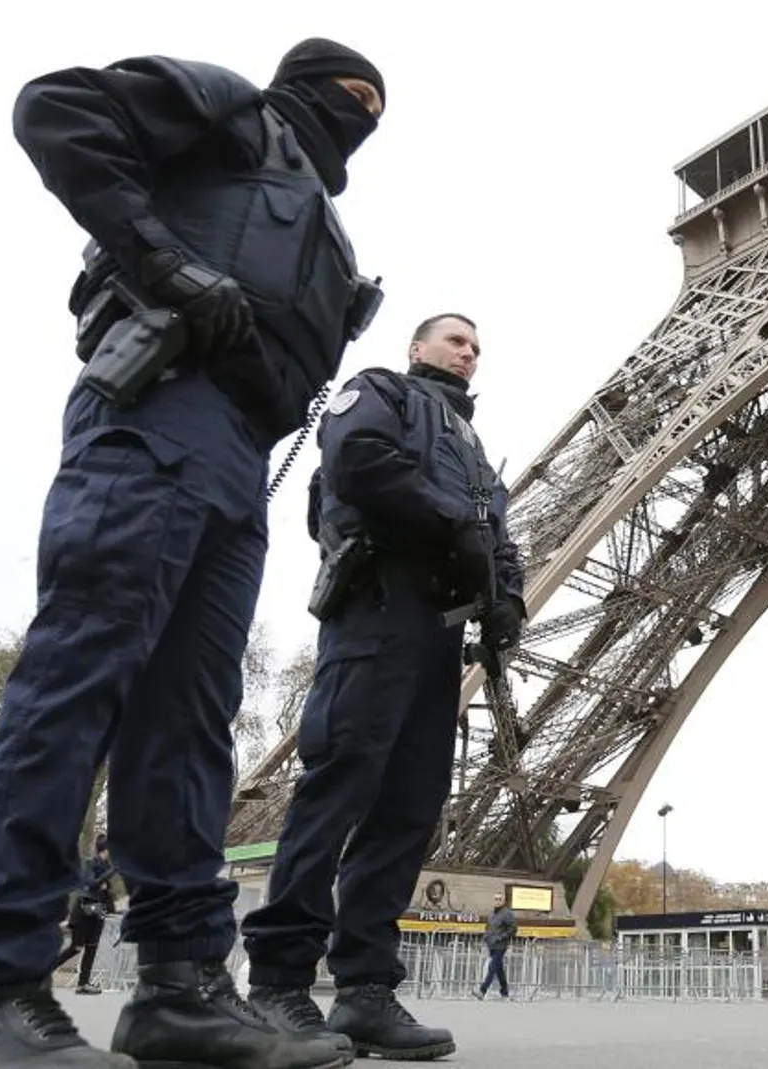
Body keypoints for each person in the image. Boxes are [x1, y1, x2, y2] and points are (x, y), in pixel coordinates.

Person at [0, 37, 388, 1069]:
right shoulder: (231, 113)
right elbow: (58, 108)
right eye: (347, 97)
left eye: (375, 106)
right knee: (82, 672)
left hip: (238, 461)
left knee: (189, 724)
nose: (361, 114)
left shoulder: (327, 225)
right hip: (162, 409)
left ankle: (180, 986)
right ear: (300, 86)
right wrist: (161, 261)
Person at [238, 313, 525, 1061]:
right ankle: (277, 978)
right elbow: (359, 461)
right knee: (337, 787)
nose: (468, 353)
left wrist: (509, 600)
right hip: (378, 610)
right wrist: (454, 522)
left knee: (406, 809)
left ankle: (364, 987)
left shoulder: (475, 453)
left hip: (439, 631)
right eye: (456, 340)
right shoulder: (379, 393)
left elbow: (501, 534)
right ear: (417, 346)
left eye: (476, 347)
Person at [52, 834, 118, 995]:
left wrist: (111, 903)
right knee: (75, 948)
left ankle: (83, 983)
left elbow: (104, 890)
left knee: (92, 948)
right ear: (106, 849)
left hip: (98, 912)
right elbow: (91, 884)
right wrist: (111, 872)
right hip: (84, 910)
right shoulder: (90, 863)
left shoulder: (106, 865)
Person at [478, 895, 518, 1000]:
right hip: (491, 945)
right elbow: (487, 928)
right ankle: (504, 991)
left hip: (501, 945)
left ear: (504, 901)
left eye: (500, 899)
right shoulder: (491, 914)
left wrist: (501, 937)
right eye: (496, 899)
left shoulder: (507, 913)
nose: (497, 901)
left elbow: (513, 929)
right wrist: (485, 938)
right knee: (498, 969)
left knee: (492, 967)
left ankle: (482, 991)